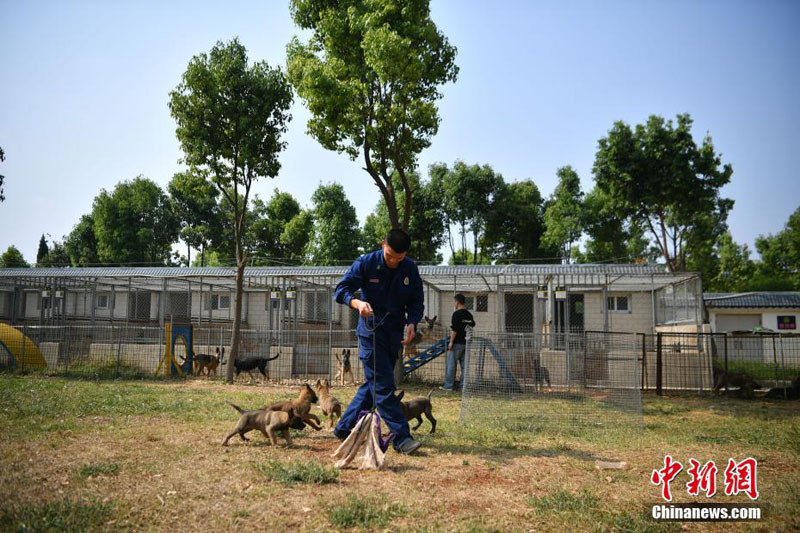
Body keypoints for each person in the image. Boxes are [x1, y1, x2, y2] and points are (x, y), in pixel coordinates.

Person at [332, 228, 424, 454]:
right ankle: (401, 438)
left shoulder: (410, 269)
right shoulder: (366, 263)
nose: (393, 261)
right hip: (370, 332)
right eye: (390, 255)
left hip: (394, 334)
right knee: (383, 385)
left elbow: (416, 301)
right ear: (383, 244)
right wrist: (357, 303)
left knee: (372, 384)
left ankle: (344, 428)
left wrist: (412, 322)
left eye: (399, 258)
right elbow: (340, 290)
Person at [441, 293, 475, 391]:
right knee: (465, 367)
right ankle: (463, 387)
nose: (454, 304)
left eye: (454, 302)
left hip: (457, 343)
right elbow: (472, 325)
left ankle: (448, 386)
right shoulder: (469, 315)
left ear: (457, 302)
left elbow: (454, 329)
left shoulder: (456, 314)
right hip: (467, 343)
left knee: (451, 365)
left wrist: (451, 341)